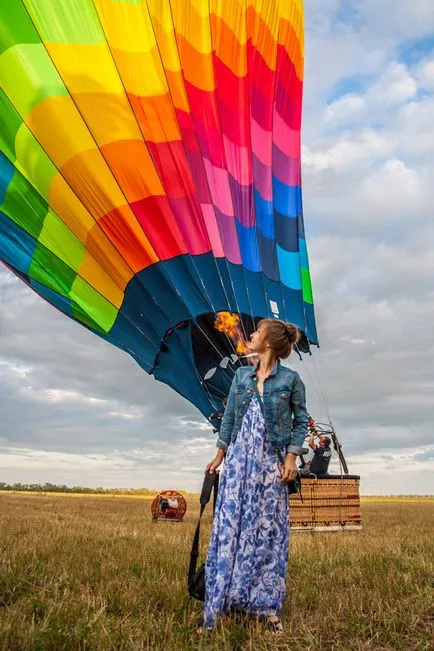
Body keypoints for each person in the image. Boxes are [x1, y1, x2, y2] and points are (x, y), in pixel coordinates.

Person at [201, 319, 309, 635]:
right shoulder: (241, 376)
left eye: (257, 332)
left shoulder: (291, 380)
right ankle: (225, 600)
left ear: (271, 341)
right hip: (238, 463)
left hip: (269, 465)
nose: (251, 335)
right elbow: (231, 417)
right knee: (231, 529)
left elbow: (301, 421)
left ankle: (266, 605)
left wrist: (291, 457)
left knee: (267, 532)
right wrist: (220, 454)